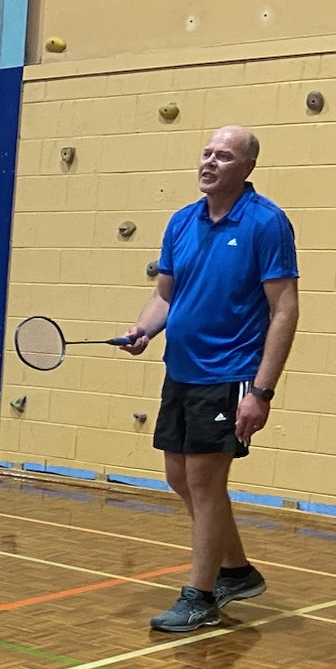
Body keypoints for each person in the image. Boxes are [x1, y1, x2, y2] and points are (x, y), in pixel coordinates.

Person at [121, 125, 300, 633]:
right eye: (206, 153)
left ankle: (199, 596)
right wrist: (143, 329)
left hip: (230, 372)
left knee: (204, 481)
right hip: (181, 370)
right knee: (181, 478)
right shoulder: (182, 221)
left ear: (247, 168)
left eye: (224, 155)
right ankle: (236, 571)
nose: (210, 162)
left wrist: (261, 391)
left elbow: (284, 309)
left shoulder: (266, 223)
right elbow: (165, 296)